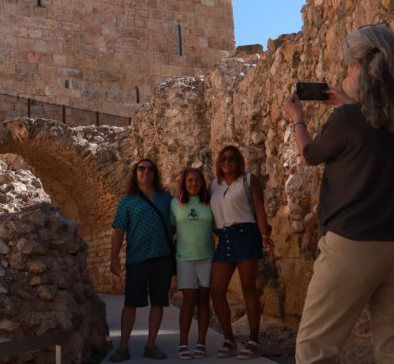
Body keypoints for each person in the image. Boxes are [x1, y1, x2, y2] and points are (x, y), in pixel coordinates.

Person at [283, 23, 394, 363]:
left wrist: (297, 118)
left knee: (315, 349)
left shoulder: (347, 118)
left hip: (354, 245)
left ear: (359, 68)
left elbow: (310, 155)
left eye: (348, 66)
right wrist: (350, 106)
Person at [209, 145, 274, 359]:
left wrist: (265, 236)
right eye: (223, 159)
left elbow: (259, 209)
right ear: (219, 163)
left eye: (232, 158)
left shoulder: (248, 180)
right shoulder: (213, 186)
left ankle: (253, 340)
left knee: (248, 287)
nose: (227, 162)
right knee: (217, 290)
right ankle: (229, 339)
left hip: (247, 234)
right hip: (225, 237)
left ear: (239, 161)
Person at [110, 158, 175, 361]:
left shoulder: (166, 198)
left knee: (158, 302)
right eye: (141, 168)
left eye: (149, 168)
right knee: (130, 303)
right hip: (137, 258)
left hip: (161, 258)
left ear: (154, 173)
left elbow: (175, 223)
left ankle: (151, 345)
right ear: (135, 173)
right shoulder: (127, 201)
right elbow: (118, 230)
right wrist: (114, 258)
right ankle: (123, 347)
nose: (145, 171)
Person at [169, 168, 216, 360]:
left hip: (207, 258)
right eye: (189, 181)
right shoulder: (175, 204)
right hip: (185, 259)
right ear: (184, 183)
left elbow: (217, 227)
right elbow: (171, 229)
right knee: (188, 301)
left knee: (204, 300)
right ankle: (183, 343)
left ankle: (201, 343)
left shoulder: (209, 203)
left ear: (202, 183)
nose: (193, 184)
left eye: (197, 180)